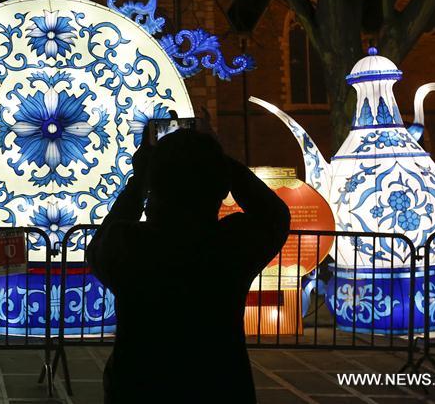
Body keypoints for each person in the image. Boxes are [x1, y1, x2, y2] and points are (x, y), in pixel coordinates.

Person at [87, 128, 290, 403]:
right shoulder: (230, 246)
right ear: (220, 187)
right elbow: (274, 216)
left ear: (155, 186)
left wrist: (137, 183)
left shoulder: (130, 245)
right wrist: (225, 164)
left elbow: (99, 247)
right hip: (219, 387)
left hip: (138, 388)